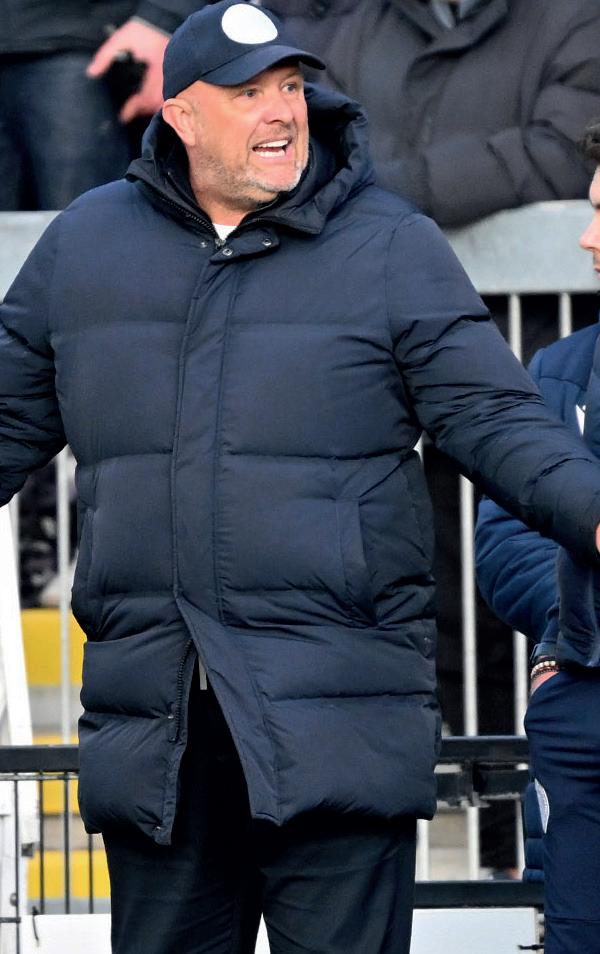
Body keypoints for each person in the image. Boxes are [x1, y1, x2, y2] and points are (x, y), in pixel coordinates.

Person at [3, 3, 600, 951]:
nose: (282, 110)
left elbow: (494, 418)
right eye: (248, 94)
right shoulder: (87, 245)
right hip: (159, 740)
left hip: (338, 728)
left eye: (289, 86)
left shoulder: (390, 244)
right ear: (181, 115)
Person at [271, 0, 600, 875]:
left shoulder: (570, 19)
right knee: (422, 593)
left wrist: (392, 198)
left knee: (512, 611)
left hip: (523, 350)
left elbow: (562, 147)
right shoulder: (352, 27)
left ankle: (502, 854)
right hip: (376, 372)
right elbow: (315, 152)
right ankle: (456, 833)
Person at [476, 121, 600, 953]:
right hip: (583, 698)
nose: (587, 238)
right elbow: (504, 540)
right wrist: (567, 628)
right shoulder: (559, 369)